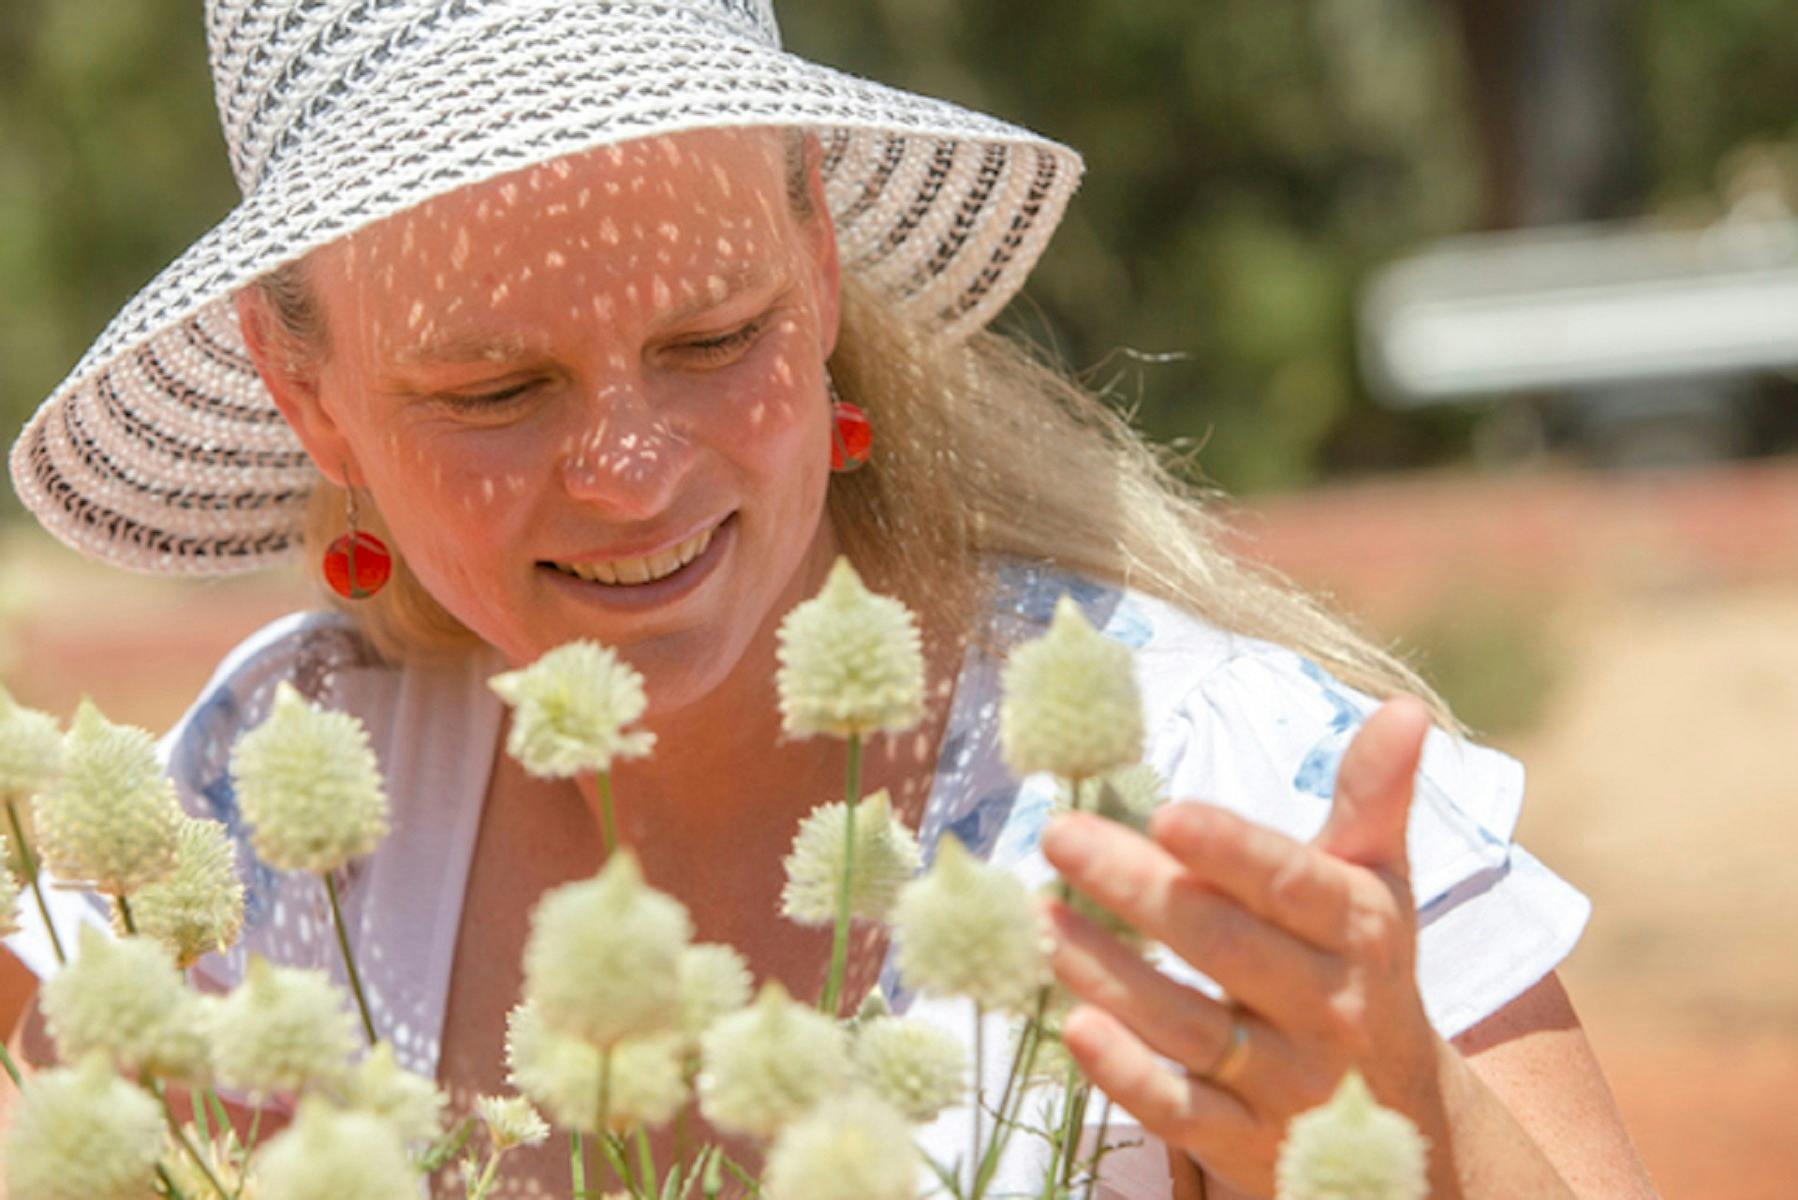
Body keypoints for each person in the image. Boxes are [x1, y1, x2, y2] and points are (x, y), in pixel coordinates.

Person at [2, 2, 1657, 1197]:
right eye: (494, 388)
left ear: (813, 265)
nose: (633, 474)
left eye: (711, 340)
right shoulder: (240, 827)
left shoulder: (1224, 791)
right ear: (306, 394)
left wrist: (1410, 1128)